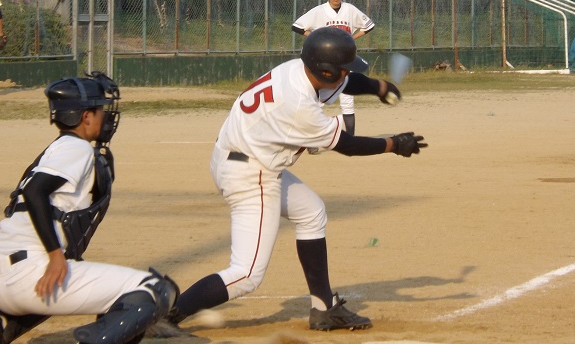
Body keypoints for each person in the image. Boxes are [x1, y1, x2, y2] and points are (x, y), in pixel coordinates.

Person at [166, 27, 427, 331]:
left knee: (311, 211)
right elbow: (348, 146)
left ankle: (324, 309)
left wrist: (379, 87)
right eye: (342, 68)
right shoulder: (298, 106)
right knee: (247, 274)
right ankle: (165, 316)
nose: (346, 73)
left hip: (240, 156)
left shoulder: (299, 69)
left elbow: (348, 82)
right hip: (249, 174)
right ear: (326, 71)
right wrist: (394, 144)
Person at [0, 72, 179, 344]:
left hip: (2, 276)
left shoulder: (54, 149)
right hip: (29, 274)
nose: (106, 116)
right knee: (155, 289)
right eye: (100, 110)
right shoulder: (77, 148)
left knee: (74, 269)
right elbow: (34, 191)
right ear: (86, 117)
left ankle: (0, 326)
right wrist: (55, 255)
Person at [292, 0, 375, 136]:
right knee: (318, 100)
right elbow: (297, 26)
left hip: (346, 60)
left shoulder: (350, 9)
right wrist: (315, 37)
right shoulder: (319, 11)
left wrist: (352, 38)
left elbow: (369, 25)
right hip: (325, 61)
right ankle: (312, 139)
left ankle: (351, 139)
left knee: (348, 99)